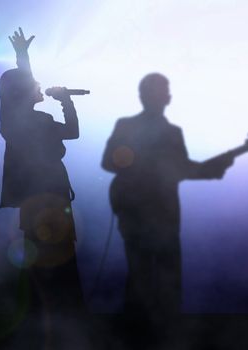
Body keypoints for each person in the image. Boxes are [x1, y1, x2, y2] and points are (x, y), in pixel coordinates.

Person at [101, 73, 234, 324]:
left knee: (164, 276)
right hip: (138, 213)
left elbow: (182, 169)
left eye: (165, 90)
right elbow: (108, 162)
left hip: (163, 215)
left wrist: (218, 166)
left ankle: (162, 333)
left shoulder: (173, 132)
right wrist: (142, 165)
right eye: (161, 90)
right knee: (143, 274)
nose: (165, 95)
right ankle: (140, 332)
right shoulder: (126, 126)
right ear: (146, 96)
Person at [0, 28, 84, 317]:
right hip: (39, 196)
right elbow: (20, 87)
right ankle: (42, 314)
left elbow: (72, 132)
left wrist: (66, 101)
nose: (39, 86)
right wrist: (23, 56)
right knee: (42, 254)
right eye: (33, 84)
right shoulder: (15, 122)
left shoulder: (42, 120)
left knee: (60, 253)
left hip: (55, 194)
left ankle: (63, 312)